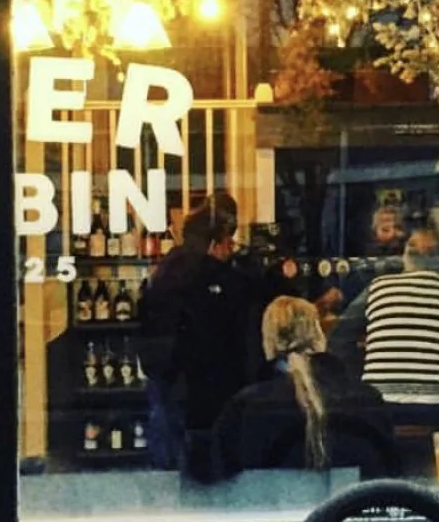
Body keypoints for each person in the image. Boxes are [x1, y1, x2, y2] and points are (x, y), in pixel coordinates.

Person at [138, 198, 265, 473]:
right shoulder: (215, 276)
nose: (231, 249)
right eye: (228, 243)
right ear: (215, 243)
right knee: (210, 459)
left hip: (167, 376)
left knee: (168, 454)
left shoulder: (164, 272)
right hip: (207, 382)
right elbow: (235, 324)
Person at [212, 296, 390, 477]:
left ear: (268, 343)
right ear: (320, 337)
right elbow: (387, 474)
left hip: (274, 503)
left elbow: (220, 481)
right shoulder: (367, 399)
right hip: (351, 504)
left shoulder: (245, 407)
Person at [327, 228, 439, 406]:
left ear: (406, 255)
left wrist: (363, 375)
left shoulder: (379, 287)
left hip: (381, 402)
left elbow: (340, 337)